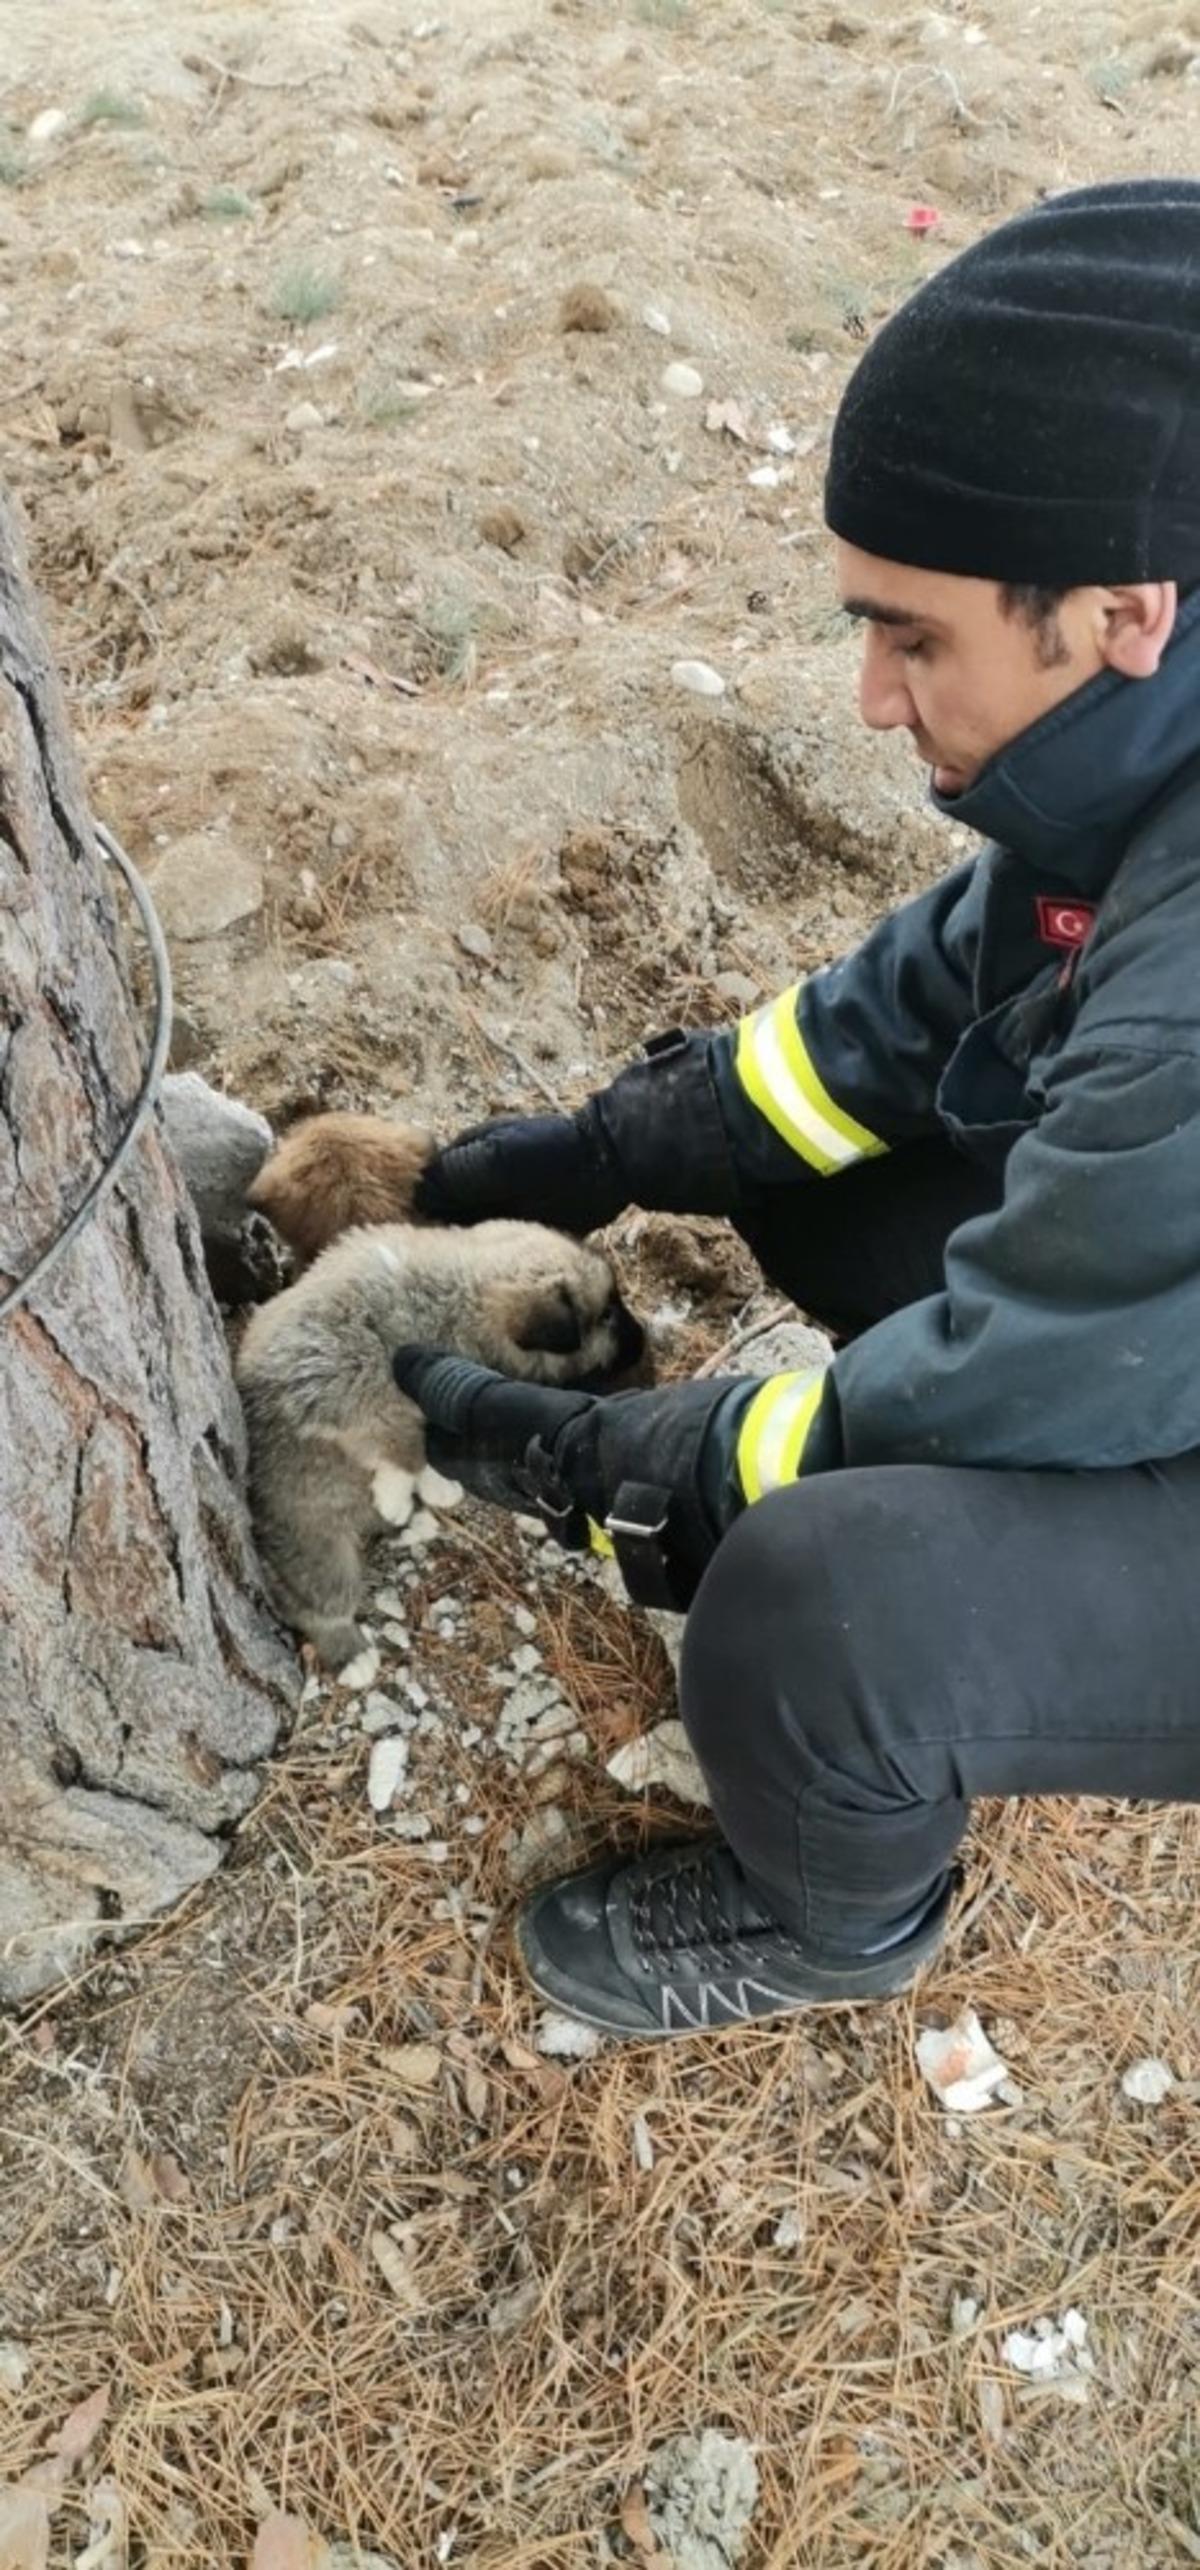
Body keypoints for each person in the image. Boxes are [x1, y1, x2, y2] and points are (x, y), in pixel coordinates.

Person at [395, 178, 1200, 2041]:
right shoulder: (1140, 741)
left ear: (1119, 612)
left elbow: (1024, 1368)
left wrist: (629, 1475)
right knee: (825, 1179)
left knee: (807, 1611)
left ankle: (842, 1919)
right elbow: (927, 1003)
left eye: (914, 640)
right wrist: (605, 1147)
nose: (868, 696)